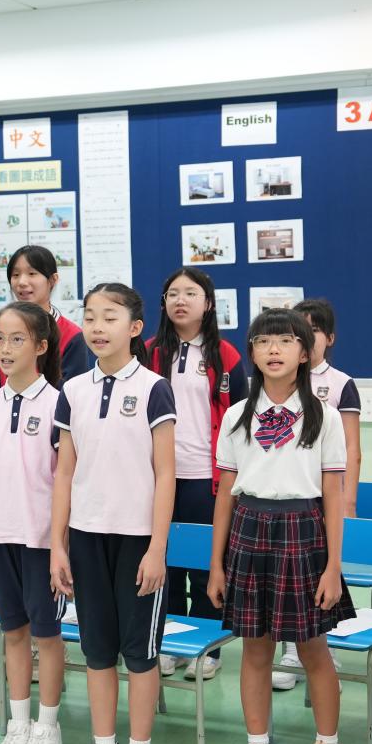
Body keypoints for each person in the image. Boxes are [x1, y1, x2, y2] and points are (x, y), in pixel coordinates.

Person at [207, 307, 355, 744]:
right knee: (255, 649)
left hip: (302, 529)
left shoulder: (324, 415)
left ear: (305, 353)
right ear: (251, 352)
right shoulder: (236, 415)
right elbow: (225, 493)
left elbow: (332, 494)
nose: (274, 349)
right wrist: (216, 564)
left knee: (312, 648)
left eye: (286, 340)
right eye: (264, 341)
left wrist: (333, 566)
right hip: (249, 529)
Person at [50, 283, 176, 744]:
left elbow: (165, 472)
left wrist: (157, 548)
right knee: (97, 651)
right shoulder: (73, 390)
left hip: (138, 541)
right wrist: (58, 545)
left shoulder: (154, 388)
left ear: (135, 327)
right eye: (89, 317)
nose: (97, 327)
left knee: (139, 653)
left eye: (110, 317)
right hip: (85, 537)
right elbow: (64, 472)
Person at [0, 302, 67, 744]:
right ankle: (19, 726)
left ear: (41, 346)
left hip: (41, 541)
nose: (5, 349)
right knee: (13, 632)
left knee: (46, 635)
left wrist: (60, 547)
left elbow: (64, 480)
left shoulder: (59, 404)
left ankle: (48, 731)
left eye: (17, 339)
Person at [145, 267, 246, 681]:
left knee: (207, 564)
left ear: (208, 304)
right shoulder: (147, 352)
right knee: (165, 563)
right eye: (172, 294)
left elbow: (240, 418)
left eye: (190, 293)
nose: (180, 300)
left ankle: (208, 649)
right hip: (159, 478)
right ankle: (169, 642)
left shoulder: (227, 355)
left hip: (208, 478)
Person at [274, 298, 363, 691]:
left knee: (319, 577)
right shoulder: (277, 381)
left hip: (322, 498)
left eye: (313, 330)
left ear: (330, 337)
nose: (306, 338)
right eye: (298, 331)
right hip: (286, 499)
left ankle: (321, 652)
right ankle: (290, 652)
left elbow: (352, 448)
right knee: (283, 581)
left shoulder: (341, 384)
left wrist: (347, 500)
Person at [0, 245, 90, 394]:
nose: (22, 282)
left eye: (32, 273)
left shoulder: (72, 336)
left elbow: (74, 396)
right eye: (15, 275)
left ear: (53, 279)